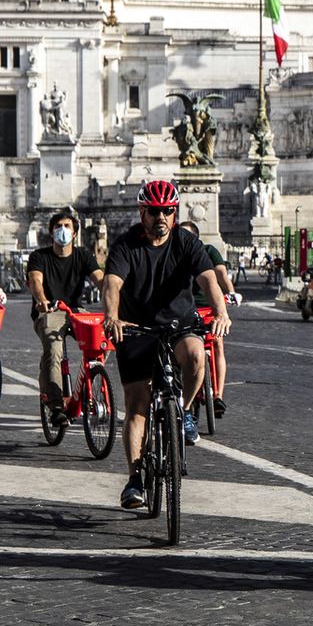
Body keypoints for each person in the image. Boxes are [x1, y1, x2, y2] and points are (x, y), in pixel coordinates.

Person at [103, 179, 231, 509]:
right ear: (142, 212)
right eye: (155, 211)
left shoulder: (187, 243)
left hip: (178, 324)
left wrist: (220, 311)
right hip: (135, 329)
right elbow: (112, 285)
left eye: (168, 212)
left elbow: (208, 279)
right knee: (136, 406)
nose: (162, 217)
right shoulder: (125, 245)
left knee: (196, 357)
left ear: (175, 214)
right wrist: (112, 317)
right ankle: (134, 479)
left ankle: (184, 412)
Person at [27, 210, 105, 426]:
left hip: (76, 310)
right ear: (52, 232)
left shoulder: (83, 255)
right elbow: (36, 281)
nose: (63, 230)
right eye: (58, 226)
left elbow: (99, 279)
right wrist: (41, 299)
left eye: (68, 226)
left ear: (75, 232)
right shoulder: (39, 257)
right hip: (49, 310)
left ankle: (89, 381)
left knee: (102, 341)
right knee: (53, 350)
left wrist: (115, 295)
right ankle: (55, 405)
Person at [180, 221, 239, 419]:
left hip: (208, 306)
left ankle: (218, 395)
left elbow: (221, 274)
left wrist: (231, 292)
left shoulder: (208, 251)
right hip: (185, 308)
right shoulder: (174, 253)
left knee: (217, 344)